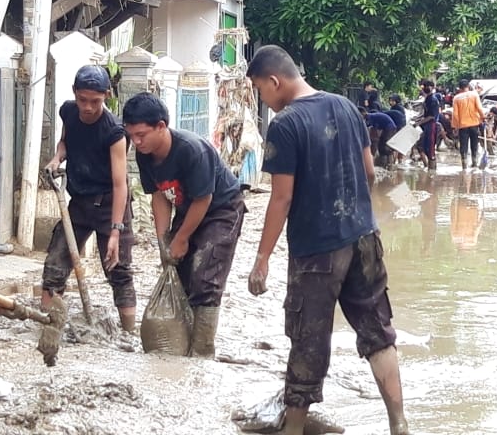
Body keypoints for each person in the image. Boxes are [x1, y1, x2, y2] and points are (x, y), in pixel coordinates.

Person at [245, 45, 409, 435]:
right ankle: (398, 423)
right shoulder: (346, 106)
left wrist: (262, 258)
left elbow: (281, 198)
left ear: (274, 81)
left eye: (260, 91)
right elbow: (369, 173)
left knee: (307, 340)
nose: (264, 101)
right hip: (364, 238)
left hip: (316, 250)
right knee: (378, 332)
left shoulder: (285, 125)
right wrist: (358, 216)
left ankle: (293, 430)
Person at [122, 92, 246, 358]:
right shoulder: (145, 155)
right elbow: (159, 195)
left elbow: (204, 199)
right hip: (189, 208)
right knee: (181, 272)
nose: (136, 141)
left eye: (141, 134)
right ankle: (180, 346)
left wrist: (181, 238)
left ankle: (201, 354)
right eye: (131, 135)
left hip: (221, 208)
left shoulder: (191, 150)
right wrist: (163, 239)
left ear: (161, 127)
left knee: (206, 277)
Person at [41, 65, 137, 333]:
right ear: (74, 93)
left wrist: (116, 231)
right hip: (80, 202)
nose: (87, 107)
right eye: (82, 100)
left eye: (95, 102)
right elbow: (65, 142)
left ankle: (129, 335)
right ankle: (46, 326)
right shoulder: (68, 112)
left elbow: (121, 185)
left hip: (110, 204)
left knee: (118, 271)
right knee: (55, 265)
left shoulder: (114, 132)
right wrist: (57, 158)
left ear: (106, 96)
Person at [451, 79, 486, 170]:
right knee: (474, 144)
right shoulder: (474, 95)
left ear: (459, 88)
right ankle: (474, 163)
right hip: (474, 124)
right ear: (468, 86)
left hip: (463, 126)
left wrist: (455, 127)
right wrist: (483, 118)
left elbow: (455, 114)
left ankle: (464, 166)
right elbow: (479, 108)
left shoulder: (456, 98)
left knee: (463, 146)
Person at [413, 80, 441, 170]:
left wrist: (419, 123)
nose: (424, 88)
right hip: (426, 125)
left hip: (431, 125)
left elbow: (431, 116)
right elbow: (425, 114)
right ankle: (429, 168)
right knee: (425, 147)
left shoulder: (433, 100)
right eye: (423, 86)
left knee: (430, 148)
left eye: (427, 86)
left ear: (432, 88)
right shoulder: (427, 99)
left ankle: (432, 170)